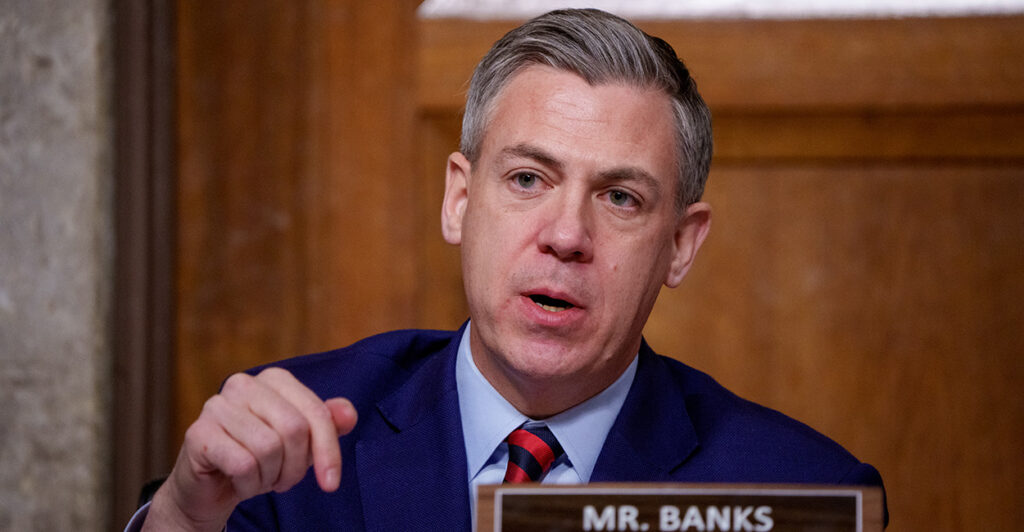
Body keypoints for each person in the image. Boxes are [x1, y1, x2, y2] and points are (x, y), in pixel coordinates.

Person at [130, 8, 886, 531]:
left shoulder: (803, 492)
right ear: (459, 201)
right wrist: (184, 519)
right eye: (528, 179)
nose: (566, 236)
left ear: (681, 245)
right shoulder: (289, 451)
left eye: (620, 197)